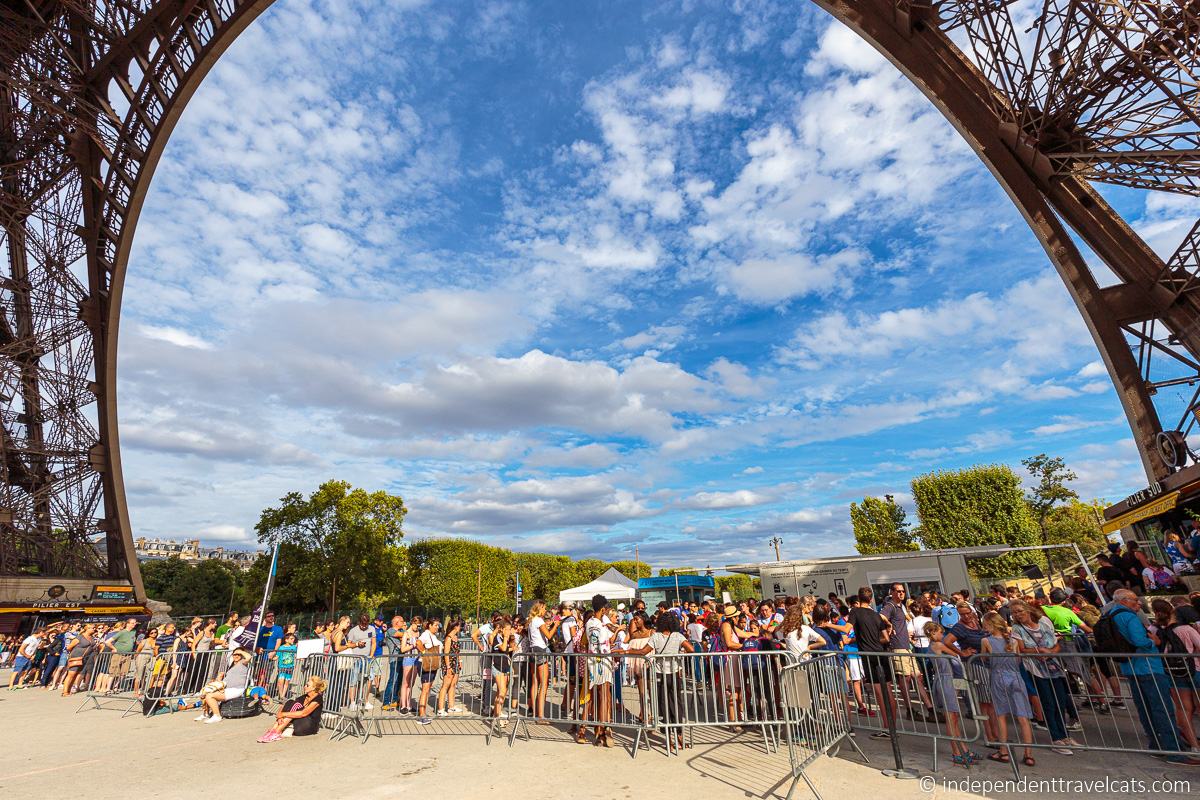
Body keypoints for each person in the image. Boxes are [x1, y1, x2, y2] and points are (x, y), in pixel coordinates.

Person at [1009, 600, 1079, 755]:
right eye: (1014, 613)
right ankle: (1056, 738)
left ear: (1027, 609)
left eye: (1020, 611)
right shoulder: (1017, 628)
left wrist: (1052, 651)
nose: (1017, 615)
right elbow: (1020, 649)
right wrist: (1038, 650)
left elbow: (1056, 643)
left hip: (1054, 666)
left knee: (1060, 700)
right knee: (1048, 702)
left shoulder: (1044, 622)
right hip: (1036, 669)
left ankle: (1065, 735)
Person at [630, 612, 693, 751]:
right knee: (677, 704)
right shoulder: (678, 636)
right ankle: (680, 736)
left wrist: (625, 651)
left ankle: (669, 739)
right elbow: (691, 649)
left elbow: (643, 652)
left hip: (659, 673)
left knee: (663, 705)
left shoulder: (656, 636)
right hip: (675, 673)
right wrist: (678, 655)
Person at [980, 612, 1035, 766]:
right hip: (1016, 677)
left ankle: (1003, 751)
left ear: (990, 625)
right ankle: (1028, 754)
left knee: (1001, 716)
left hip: (998, 677)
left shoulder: (986, 641)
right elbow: (1018, 660)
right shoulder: (1014, 641)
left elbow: (984, 659)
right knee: (1023, 717)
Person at [1151, 598, 1200, 751]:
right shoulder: (1186, 629)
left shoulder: (1154, 630)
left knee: (1183, 709)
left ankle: (1194, 746)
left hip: (1172, 673)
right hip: (1195, 670)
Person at [926, 621, 976, 766]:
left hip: (945, 680)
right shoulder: (938, 645)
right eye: (940, 632)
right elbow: (958, 656)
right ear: (933, 633)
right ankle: (957, 752)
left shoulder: (933, 646)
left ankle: (963, 749)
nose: (942, 635)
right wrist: (965, 652)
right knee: (951, 718)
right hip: (945, 681)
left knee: (954, 717)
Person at [848, 586, 895, 740]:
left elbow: (847, 628)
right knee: (888, 689)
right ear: (871, 599)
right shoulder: (877, 615)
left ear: (858, 600)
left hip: (869, 656)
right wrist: (875, 641)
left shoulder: (855, 612)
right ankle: (892, 727)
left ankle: (887, 728)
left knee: (879, 692)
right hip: (881, 653)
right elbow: (886, 638)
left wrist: (828, 625)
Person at [585, 594, 616, 746]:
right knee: (604, 696)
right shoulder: (599, 625)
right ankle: (603, 730)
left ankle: (600, 729)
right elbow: (603, 646)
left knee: (598, 696)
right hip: (602, 663)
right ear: (603, 609)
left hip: (592, 662)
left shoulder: (589, 623)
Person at [258, 676, 327, 742]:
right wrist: (280, 716)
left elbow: (303, 713)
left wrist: (282, 714)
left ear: (313, 688)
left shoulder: (318, 698)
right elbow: (286, 705)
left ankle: (277, 731)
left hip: (309, 726)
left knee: (296, 706)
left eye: (307, 685)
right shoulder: (304, 697)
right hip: (299, 723)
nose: (304, 686)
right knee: (290, 702)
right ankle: (273, 730)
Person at [526, 600, 561, 721]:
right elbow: (549, 636)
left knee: (535, 682)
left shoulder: (531, 620)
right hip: (540, 649)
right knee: (544, 683)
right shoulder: (538, 620)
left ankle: (535, 711)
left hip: (532, 650)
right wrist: (555, 625)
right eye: (544, 608)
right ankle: (540, 715)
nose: (545, 611)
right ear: (540, 608)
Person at [196, 648, 251, 724]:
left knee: (210, 696)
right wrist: (219, 679)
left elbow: (248, 657)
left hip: (236, 689)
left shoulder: (242, 663)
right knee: (204, 693)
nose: (236, 656)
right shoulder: (231, 667)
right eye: (234, 654)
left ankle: (217, 716)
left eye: (238, 654)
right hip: (227, 688)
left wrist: (240, 651)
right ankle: (206, 714)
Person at [415, 618, 442, 725]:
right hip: (426, 664)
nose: (437, 627)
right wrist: (424, 652)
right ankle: (421, 714)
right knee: (425, 689)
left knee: (428, 689)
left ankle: (423, 712)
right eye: (435, 625)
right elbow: (418, 643)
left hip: (432, 665)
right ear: (429, 625)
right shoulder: (426, 635)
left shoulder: (433, 636)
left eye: (437, 625)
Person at [436, 618, 463, 716]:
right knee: (445, 685)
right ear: (455, 626)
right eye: (459, 625)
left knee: (453, 684)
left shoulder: (456, 637)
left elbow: (457, 651)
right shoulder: (448, 638)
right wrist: (448, 666)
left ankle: (451, 706)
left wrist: (459, 660)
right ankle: (441, 708)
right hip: (449, 663)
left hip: (455, 662)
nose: (460, 627)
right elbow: (446, 653)